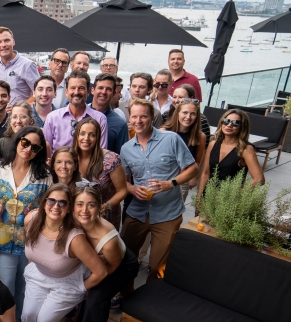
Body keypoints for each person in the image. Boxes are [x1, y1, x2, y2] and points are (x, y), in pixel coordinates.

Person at [21, 183, 106, 322]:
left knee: (45, 320)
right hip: (39, 275)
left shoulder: (74, 238)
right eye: (51, 200)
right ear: (44, 203)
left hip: (66, 283)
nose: (56, 206)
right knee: (28, 315)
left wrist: (81, 287)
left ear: (69, 209)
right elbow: (35, 250)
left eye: (63, 203)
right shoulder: (32, 219)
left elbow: (101, 271)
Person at [0, 126, 52, 322]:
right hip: (0, 239)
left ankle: (19, 320)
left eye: (35, 147)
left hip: (30, 241)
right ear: (17, 141)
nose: (28, 149)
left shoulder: (45, 175)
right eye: (25, 143)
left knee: (26, 285)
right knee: (6, 284)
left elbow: (50, 206)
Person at [119, 99, 199, 287]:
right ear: (130, 118)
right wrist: (132, 189)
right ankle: (126, 295)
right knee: (125, 260)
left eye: (143, 116)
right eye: (135, 116)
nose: (138, 121)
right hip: (138, 211)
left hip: (167, 213)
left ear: (152, 118)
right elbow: (124, 182)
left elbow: (193, 168)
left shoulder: (171, 139)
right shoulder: (126, 149)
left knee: (157, 266)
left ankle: (150, 299)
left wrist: (170, 183)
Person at [71, 185, 138, 322]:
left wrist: (90, 285)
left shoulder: (108, 240)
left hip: (121, 265)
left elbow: (112, 266)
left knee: (95, 299)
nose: (84, 210)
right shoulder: (72, 219)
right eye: (79, 204)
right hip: (99, 262)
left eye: (91, 205)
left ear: (99, 207)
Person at [73, 119, 128, 229]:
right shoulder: (70, 157)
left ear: (98, 137)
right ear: (76, 136)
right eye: (82, 134)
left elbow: (122, 191)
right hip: (78, 217)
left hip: (104, 217)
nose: (86, 138)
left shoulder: (111, 159)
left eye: (92, 135)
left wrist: (106, 206)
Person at [198, 109, 265, 197]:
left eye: (235, 123)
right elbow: (205, 173)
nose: (229, 125)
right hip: (208, 197)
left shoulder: (245, 149)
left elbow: (259, 179)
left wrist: (235, 195)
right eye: (226, 121)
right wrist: (199, 199)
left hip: (228, 203)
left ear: (242, 127)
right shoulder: (213, 144)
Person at [43, 70, 108, 151]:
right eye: (73, 88)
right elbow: (46, 152)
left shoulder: (100, 119)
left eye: (81, 88)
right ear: (66, 92)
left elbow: (101, 153)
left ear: (88, 92)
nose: (76, 92)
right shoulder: (52, 118)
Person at [160, 97, 206, 200]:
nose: (188, 117)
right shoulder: (163, 132)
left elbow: (197, 161)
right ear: (178, 113)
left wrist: (194, 178)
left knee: (175, 210)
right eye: (185, 112)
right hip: (162, 175)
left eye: (193, 114)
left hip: (182, 179)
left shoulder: (200, 136)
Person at [0, 27, 40, 102]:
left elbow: (39, 92)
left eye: (6, 40)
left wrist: (20, 107)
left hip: (22, 112)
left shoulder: (27, 65)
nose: (3, 45)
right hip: (0, 111)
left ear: (13, 42)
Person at [90, 73, 129, 155]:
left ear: (114, 93)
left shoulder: (120, 124)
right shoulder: (80, 114)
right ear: (92, 90)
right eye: (100, 88)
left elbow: (121, 157)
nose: (103, 92)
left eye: (108, 89)